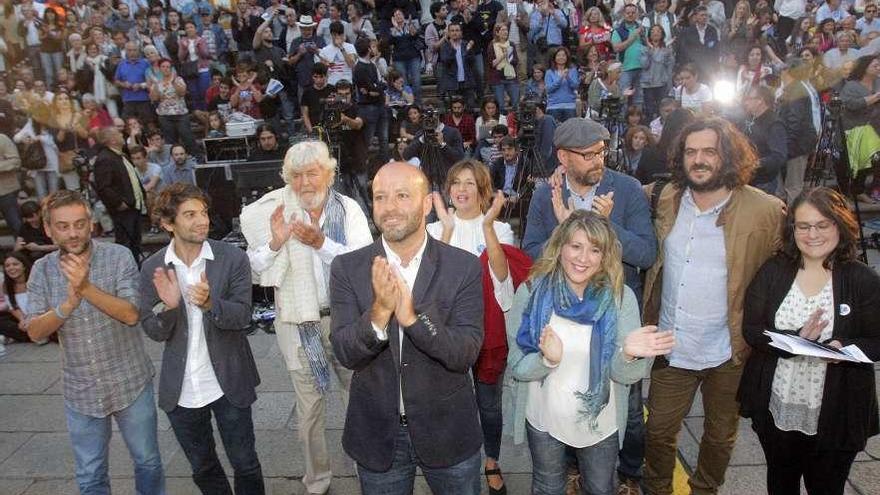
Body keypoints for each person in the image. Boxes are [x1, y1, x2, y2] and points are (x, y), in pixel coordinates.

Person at [641, 117, 786, 495]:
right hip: (671, 346)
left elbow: (792, 264)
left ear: (729, 155)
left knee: (720, 437)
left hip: (730, 351)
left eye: (709, 151)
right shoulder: (667, 197)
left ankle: (705, 490)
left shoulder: (766, 210)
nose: (699, 160)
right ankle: (656, 489)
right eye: (691, 152)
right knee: (656, 432)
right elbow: (618, 193)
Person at [330, 162, 484, 495]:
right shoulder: (347, 267)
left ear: (427, 204)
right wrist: (380, 312)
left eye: (402, 195)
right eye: (381, 197)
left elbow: (465, 353)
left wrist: (412, 318)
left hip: (448, 430)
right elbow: (345, 352)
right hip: (377, 434)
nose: (390, 208)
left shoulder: (464, 267)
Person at [505, 209, 674, 495]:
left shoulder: (620, 298)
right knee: (547, 486)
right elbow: (518, 366)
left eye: (594, 250)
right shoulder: (531, 292)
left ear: (605, 256)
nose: (583, 258)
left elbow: (625, 376)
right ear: (560, 248)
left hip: (599, 420)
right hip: (545, 417)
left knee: (599, 488)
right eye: (576, 246)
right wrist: (547, 359)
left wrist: (629, 355)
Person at [241, 140, 371, 495]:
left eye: (312, 173)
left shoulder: (350, 210)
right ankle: (317, 480)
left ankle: (367, 470)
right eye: (295, 176)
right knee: (309, 411)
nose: (304, 183)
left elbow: (361, 268)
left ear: (328, 173)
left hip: (346, 322)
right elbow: (253, 270)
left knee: (357, 399)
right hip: (297, 325)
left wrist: (321, 243)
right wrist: (275, 242)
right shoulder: (276, 210)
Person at [738, 186, 880, 495]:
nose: (812, 234)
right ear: (793, 229)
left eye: (822, 225)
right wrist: (794, 339)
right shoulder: (774, 270)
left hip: (836, 411)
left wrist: (844, 348)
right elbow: (752, 328)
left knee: (827, 488)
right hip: (779, 406)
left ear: (839, 225)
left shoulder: (862, 279)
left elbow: (877, 340)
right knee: (780, 483)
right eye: (803, 226)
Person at [25, 190, 166, 495]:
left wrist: (85, 288)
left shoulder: (118, 257)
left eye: (79, 223)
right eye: (63, 226)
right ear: (48, 230)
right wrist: (67, 306)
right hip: (81, 390)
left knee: (148, 461)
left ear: (91, 224)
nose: (73, 232)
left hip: (130, 381)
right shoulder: (42, 270)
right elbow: (34, 331)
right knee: (90, 475)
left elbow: (130, 314)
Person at [137, 182, 264, 494]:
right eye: (190, 214)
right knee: (203, 467)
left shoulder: (232, 258)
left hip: (228, 381)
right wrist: (169, 308)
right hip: (180, 390)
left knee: (245, 462)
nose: (202, 220)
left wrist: (210, 304)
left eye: (204, 212)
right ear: (168, 223)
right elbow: (152, 330)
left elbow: (243, 317)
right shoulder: (153, 267)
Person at [427, 160, 532, 494]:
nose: (461, 189)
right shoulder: (434, 230)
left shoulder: (499, 229)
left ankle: (492, 461)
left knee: (488, 403)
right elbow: (431, 284)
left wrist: (488, 228)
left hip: (488, 332)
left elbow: (503, 278)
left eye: (469, 183)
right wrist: (444, 230)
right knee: (450, 401)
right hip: (448, 333)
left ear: (483, 190)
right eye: (455, 182)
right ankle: (455, 462)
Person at [93, 126, 147, 263]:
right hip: (123, 209)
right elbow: (104, 187)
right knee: (125, 244)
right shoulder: (105, 159)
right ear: (111, 140)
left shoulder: (119, 155)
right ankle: (126, 273)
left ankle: (135, 270)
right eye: (118, 133)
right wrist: (118, 203)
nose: (122, 135)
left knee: (134, 243)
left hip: (133, 206)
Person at [778, 57, 820, 203]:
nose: (780, 73)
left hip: (797, 144)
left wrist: (786, 146)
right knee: (786, 186)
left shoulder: (797, 90)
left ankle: (794, 221)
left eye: (783, 70)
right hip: (793, 143)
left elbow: (794, 122)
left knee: (793, 186)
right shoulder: (792, 89)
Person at [739, 85, 788, 195]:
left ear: (760, 100)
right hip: (748, 178)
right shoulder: (750, 118)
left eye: (749, 99)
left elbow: (779, 156)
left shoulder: (774, 124)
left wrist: (755, 164)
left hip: (763, 183)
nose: (745, 102)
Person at [149, 58, 198, 157]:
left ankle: (194, 156)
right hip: (165, 115)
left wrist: (173, 82)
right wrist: (155, 86)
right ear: (159, 68)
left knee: (187, 136)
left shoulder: (178, 79)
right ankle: (173, 160)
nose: (166, 69)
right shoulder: (157, 83)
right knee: (170, 140)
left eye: (168, 67)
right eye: (163, 67)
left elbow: (182, 93)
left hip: (180, 114)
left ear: (171, 68)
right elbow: (154, 98)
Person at [353, 37, 389, 163]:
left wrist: (376, 88)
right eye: (372, 46)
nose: (374, 48)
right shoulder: (359, 68)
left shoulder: (372, 65)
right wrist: (377, 88)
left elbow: (382, 84)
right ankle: (362, 166)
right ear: (368, 49)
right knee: (367, 140)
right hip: (368, 108)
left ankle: (385, 165)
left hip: (380, 105)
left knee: (384, 139)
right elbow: (370, 90)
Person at [611, 4, 646, 109]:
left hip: (642, 68)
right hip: (625, 68)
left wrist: (643, 37)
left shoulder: (642, 29)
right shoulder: (618, 30)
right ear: (623, 14)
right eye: (628, 13)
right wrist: (632, 37)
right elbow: (616, 48)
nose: (630, 15)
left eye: (633, 12)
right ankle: (622, 124)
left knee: (639, 99)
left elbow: (648, 46)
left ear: (637, 14)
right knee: (623, 98)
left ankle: (638, 124)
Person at [437, 21, 478, 108]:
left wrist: (469, 51)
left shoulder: (466, 44)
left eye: (457, 30)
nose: (455, 33)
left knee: (470, 107)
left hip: (467, 82)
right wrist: (452, 48)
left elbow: (472, 61)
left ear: (461, 32)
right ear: (448, 33)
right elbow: (446, 61)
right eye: (452, 31)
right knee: (455, 108)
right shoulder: (445, 46)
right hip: (452, 83)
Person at [0, 252, 36, 345]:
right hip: (24, 318)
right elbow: (13, 306)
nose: (11, 268)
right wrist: (22, 319)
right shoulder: (6, 285)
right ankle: (33, 336)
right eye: (7, 266)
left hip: (40, 316)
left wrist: (31, 320)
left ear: (24, 266)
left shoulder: (35, 280)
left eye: (15, 264)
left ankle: (31, 336)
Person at [114, 41, 154, 123]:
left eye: (134, 50)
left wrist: (140, 85)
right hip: (128, 100)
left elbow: (153, 80)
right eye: (129, 50)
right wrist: (123, 84)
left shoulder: (146, 63)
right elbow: (116, 81)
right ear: (125, 51)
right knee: (128, 124)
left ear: (138, 50)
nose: (132, 52)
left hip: (144, 99)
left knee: (147, 123)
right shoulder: (121, 64)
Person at [675, 6, 720, 78]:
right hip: (692, 68)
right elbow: (683, 51)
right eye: (702, 15)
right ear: (696, 16)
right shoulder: (687, 31)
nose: (704, 17)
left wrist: (715, 66)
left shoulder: (712, 30)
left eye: (706, 15)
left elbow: (716, 49)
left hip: (708, 68)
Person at [487, 23, 519, 113]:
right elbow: (492, 63)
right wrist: (503, 55)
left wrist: (510, 57)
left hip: (511, 76)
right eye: (503, 30)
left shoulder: (511, 44)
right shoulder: (492, 45)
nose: (505, 32)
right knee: (500, 106)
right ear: (497, 32)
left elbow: (516, 61)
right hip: (497, 78)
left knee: (516, 104)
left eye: (506, 30)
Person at [545, 47, 579, 123]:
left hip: (570, 106)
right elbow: (549, 89)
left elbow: (575, 86)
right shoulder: (549, 72)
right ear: (554, 58)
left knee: (570, 131)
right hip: (553, 106)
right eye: (558, 55)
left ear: (567, 57)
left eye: (563, 55)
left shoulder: (572, 70)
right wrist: (560, 78)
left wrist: (568, 77)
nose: (561, 57)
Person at [318, 21, 356, 86]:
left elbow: (351, 65)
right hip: (331, 84)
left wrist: (341, 48)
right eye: (335, 35)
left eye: (340, 34)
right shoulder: (325, 50)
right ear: (331, 34)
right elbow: (321, 70)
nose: (337, 37)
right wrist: (327, 65)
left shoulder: (350, 47)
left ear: (343, 34)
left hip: (347, 83)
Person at [301, 63, 334, 135]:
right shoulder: (307, 92)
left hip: (331, 128)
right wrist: (311, 131)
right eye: (315, 77)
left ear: (326, 76)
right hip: (314, 128)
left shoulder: (332, 89)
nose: (318, 80)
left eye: (321, 77)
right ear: (312, 76)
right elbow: (305, 115)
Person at [0, 132, 22, 235]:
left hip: (6, 191)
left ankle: (25, 249)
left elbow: (16, 161)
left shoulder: (2, 138)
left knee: (15, 224)